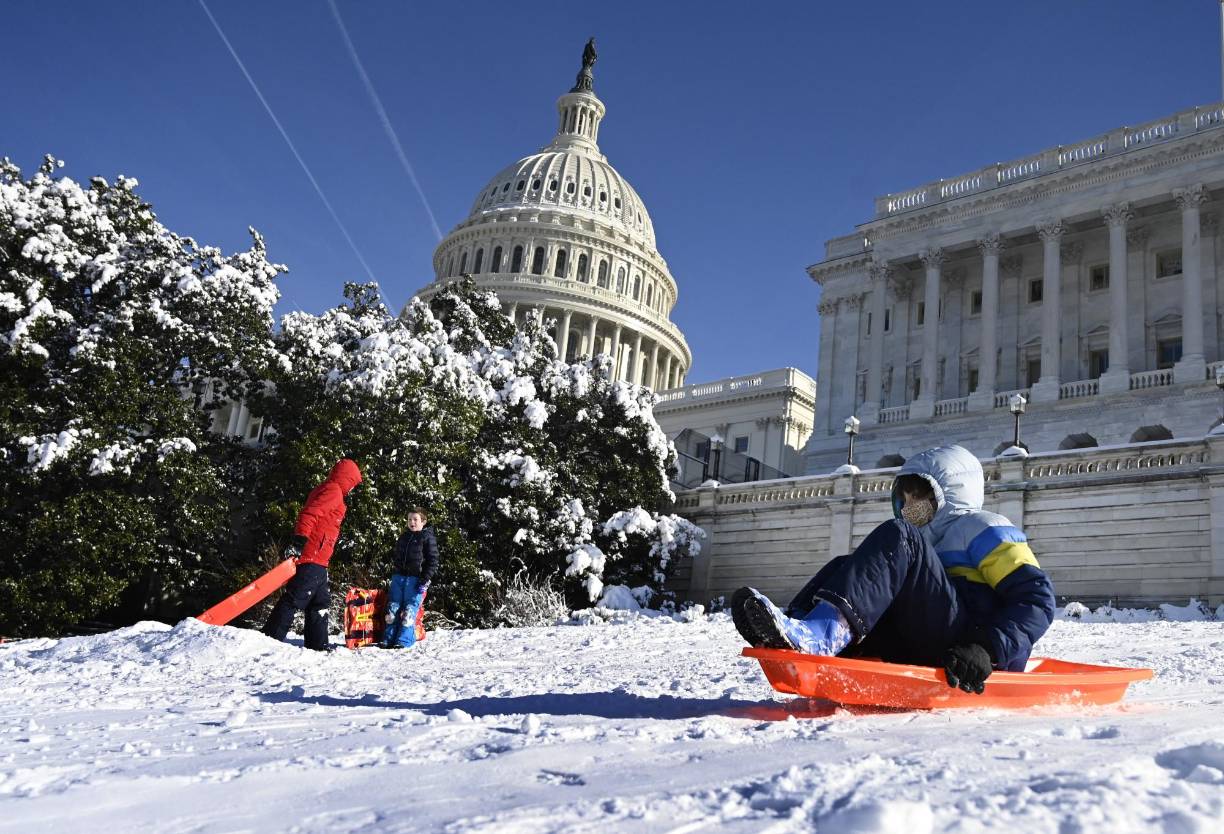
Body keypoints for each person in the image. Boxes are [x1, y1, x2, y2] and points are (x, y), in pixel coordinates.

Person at [732, 445, 1056, 694]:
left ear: (948, 492)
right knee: (845, 565)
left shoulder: (983, 526)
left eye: (918, 493)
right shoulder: (924, 547)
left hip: (974, 654)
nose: (908, 502)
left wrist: (988, 649)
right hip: (931, 645)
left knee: (899, 534)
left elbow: (1036, 600)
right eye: (904, 495)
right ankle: (795, 630)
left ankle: (820, 638)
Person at [263, 458, 363, 651]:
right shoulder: (333, 491)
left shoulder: (329, 489)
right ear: (347, 479)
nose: (352, 489)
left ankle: (318, 645)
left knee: (320, 602)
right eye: (352, 484)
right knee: (295, 598)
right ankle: (269, 638)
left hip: (320, 558)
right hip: (313, 556)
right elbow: (310, 513)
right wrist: (300, 539)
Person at [381, 506, 440, 648]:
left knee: (409, 612)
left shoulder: (427, 538)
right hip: (399, 578)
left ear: (423, 521)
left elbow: (433, 560)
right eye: (409, 519)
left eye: (415, 519)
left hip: (415, 580)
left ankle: (404, 640)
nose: (412, 522)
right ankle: (388, 638)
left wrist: (425, 579)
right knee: (392, 609)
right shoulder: (404, 536)